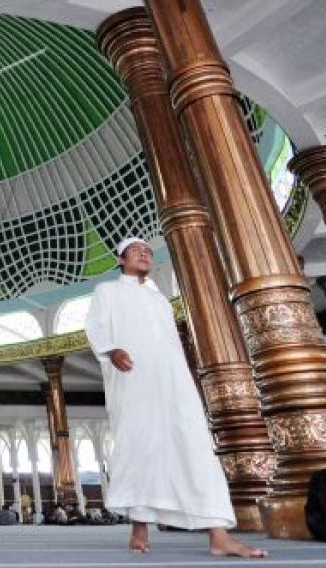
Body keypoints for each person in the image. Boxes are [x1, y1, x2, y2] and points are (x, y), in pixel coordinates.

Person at [84, 237, 267, 558]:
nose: (144, 254)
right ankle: (139, 528)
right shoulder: (107, 292)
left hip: (174, 383)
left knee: (194, 444)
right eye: (137, 250)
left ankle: (219, 535)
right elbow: (96, 326)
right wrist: (110, 350)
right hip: (132, 380)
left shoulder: (160, 301)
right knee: (141, 446)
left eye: (148, 251)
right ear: (121, 259)